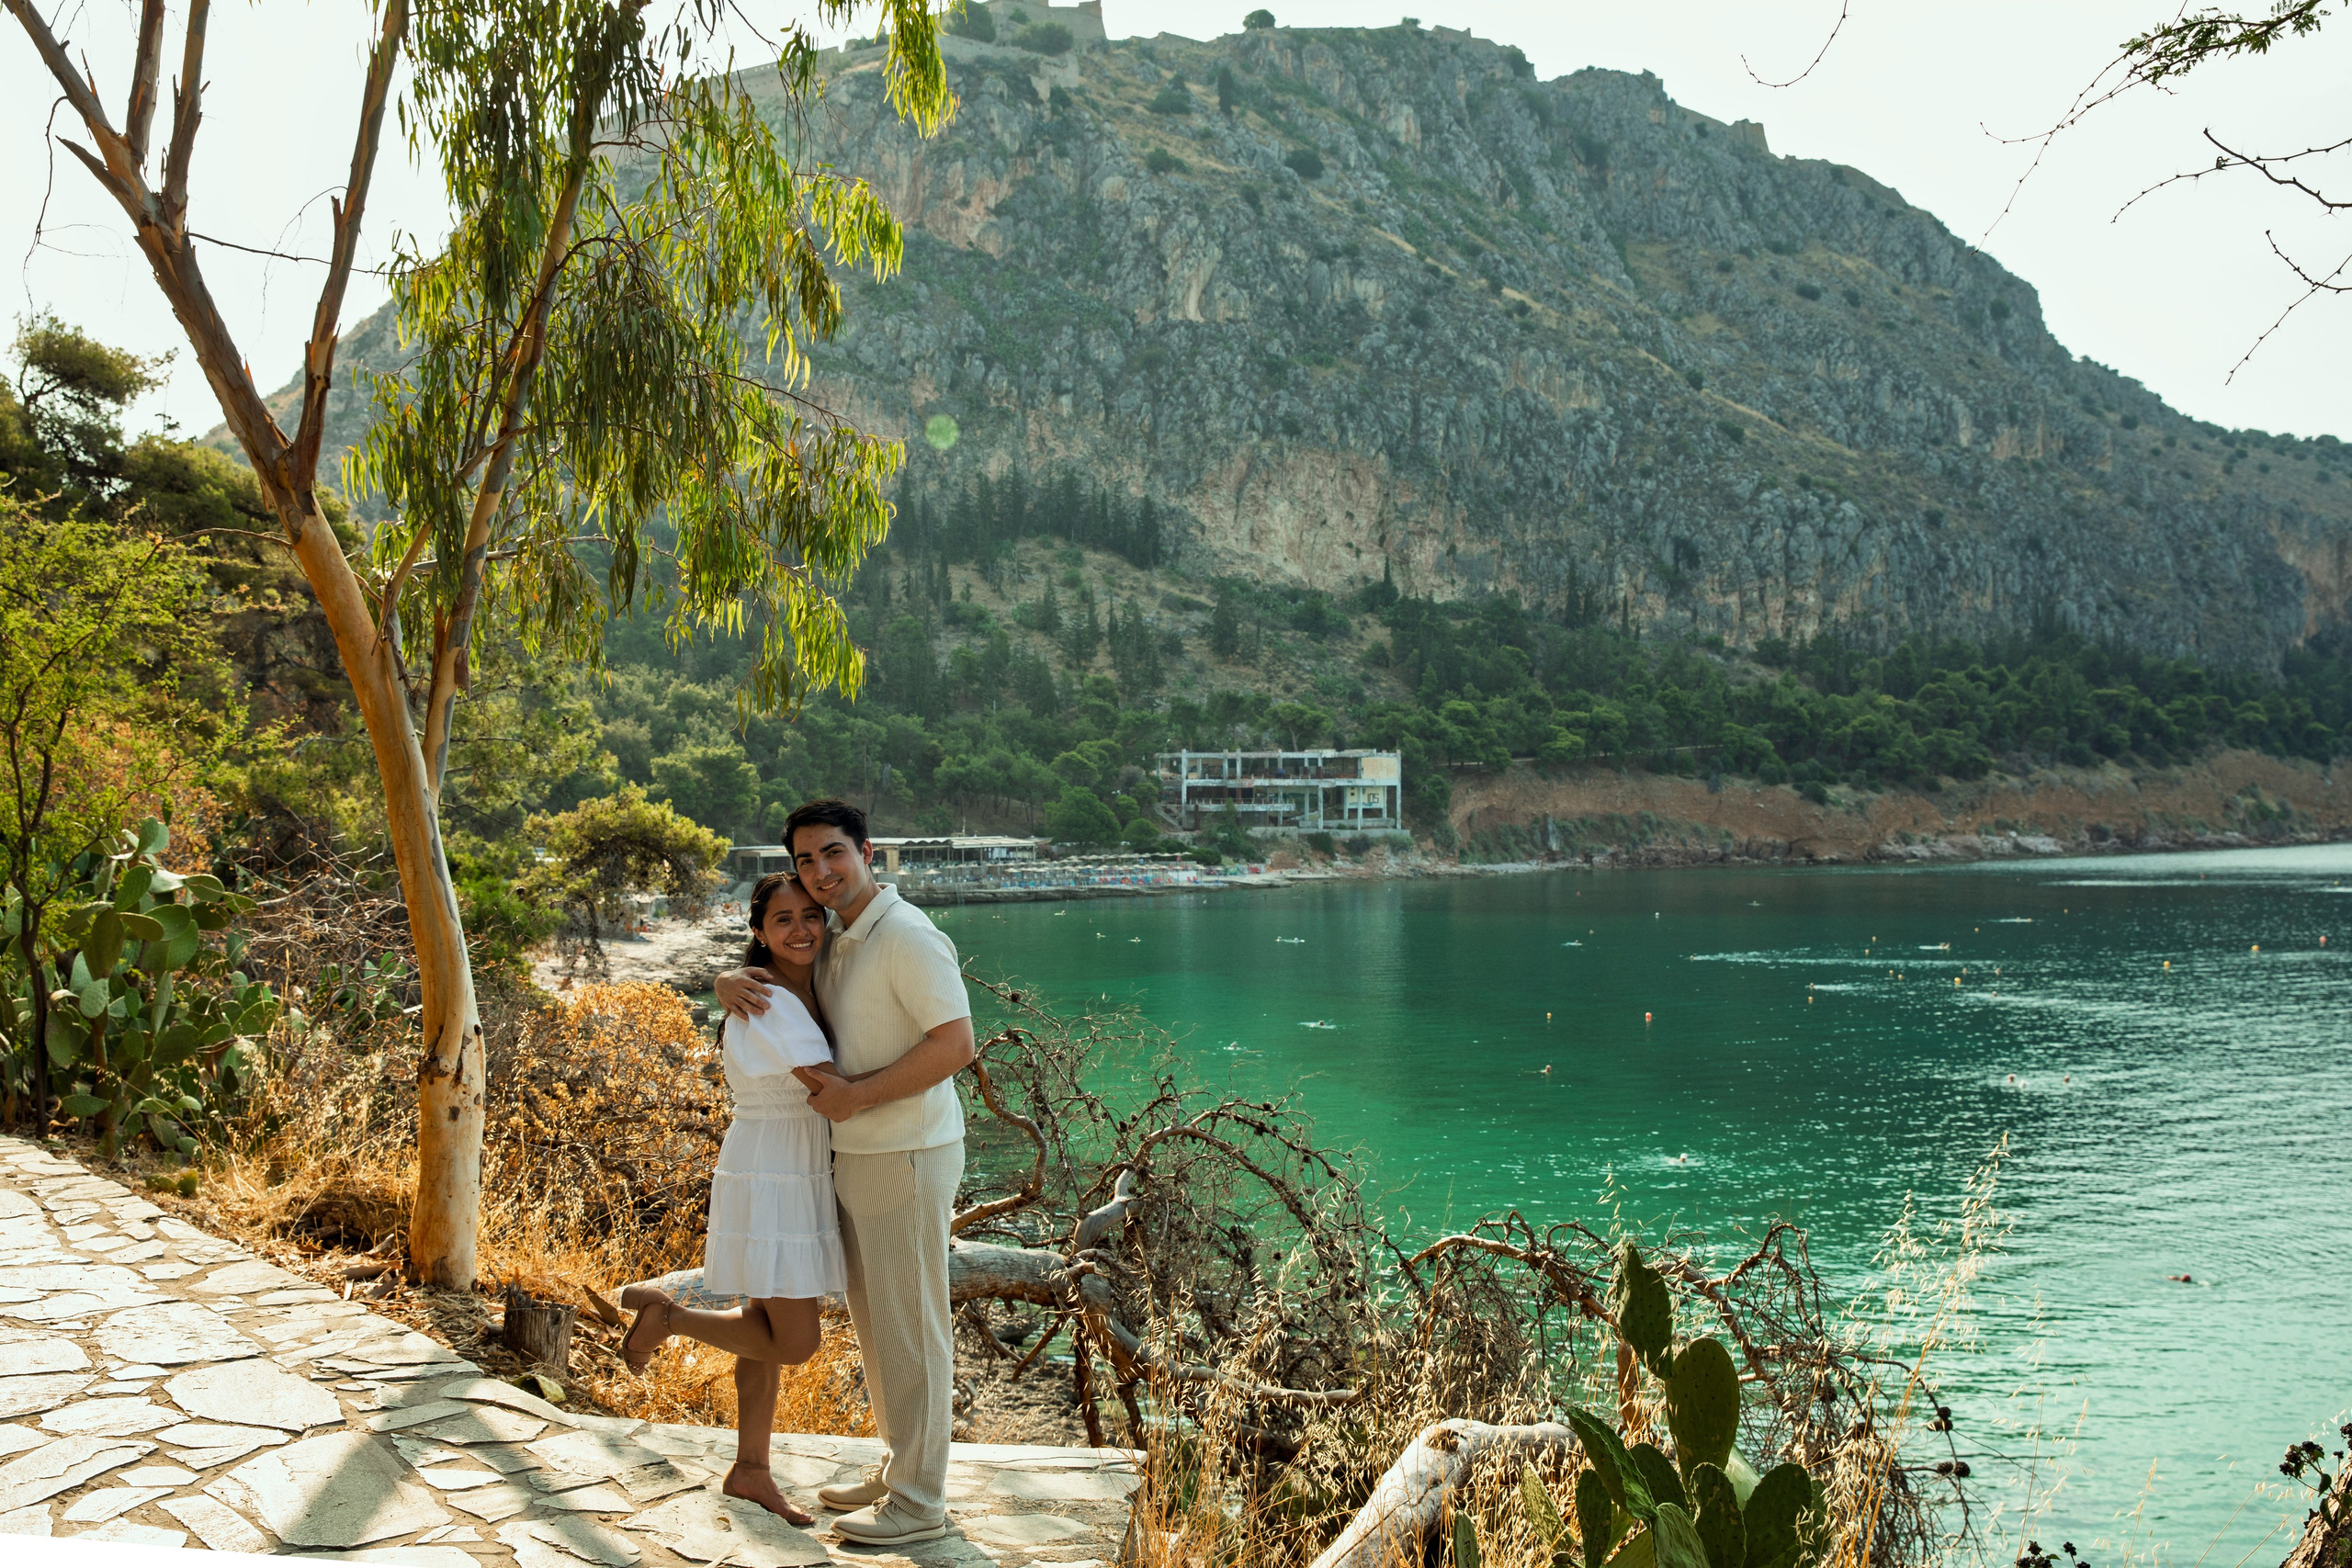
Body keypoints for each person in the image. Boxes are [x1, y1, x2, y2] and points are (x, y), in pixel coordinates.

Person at [714, 799, 974, 1550]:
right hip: (856, 1154)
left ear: (866, 850)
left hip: (907, 1152)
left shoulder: (906, 935)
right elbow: (782, 975)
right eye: (805, 860)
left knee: (914, 1325)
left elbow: (956, 1043)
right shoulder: (839, 935)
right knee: (879, 1323)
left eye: (833, 852)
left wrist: (858, 1096)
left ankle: (919, 1501)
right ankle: (900, 1467)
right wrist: (726, 978)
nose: (820, 871)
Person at [617, 871, 845, 1526]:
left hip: (770, 1161)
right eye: (783, 919)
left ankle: (750, 1469)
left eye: (811, 915)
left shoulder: (787, 988)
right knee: (795, 1343)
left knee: (761, 1331)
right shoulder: (772, 999)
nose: (801, 929)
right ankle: (667, 1318)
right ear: (759, 932)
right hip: (778, 1169)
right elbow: (834, 1089)